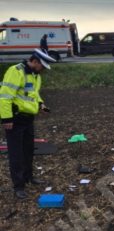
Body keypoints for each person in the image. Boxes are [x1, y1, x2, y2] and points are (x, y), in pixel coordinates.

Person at [0, 49, 55, 199]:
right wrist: (7, 119)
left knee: (28, 150)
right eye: (42, 66)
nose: (43, 70)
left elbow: (33, 93)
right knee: (16, 154)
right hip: (15, 119)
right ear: (35, 61)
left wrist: (41, 104)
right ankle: (18, 186)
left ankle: (28, 177)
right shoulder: (15, 71)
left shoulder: (35, 75)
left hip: (28, 119)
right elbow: (4, 97)